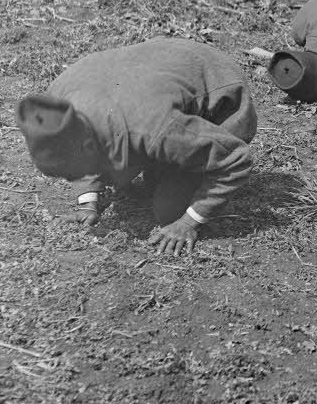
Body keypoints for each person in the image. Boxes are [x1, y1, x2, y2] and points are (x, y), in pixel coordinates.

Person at [15, 38, 257, 256]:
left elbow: (236, 159)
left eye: (72, 173)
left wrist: (188, 222)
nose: (74, 177)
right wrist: (87, 202)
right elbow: (79, 148)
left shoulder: (154, 126)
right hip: (157, 71)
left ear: (88, 145)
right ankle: (168, 157)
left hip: (220, 88)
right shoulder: (58, 104)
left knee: (169, 210)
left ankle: (181, 158)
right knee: (123, 166)